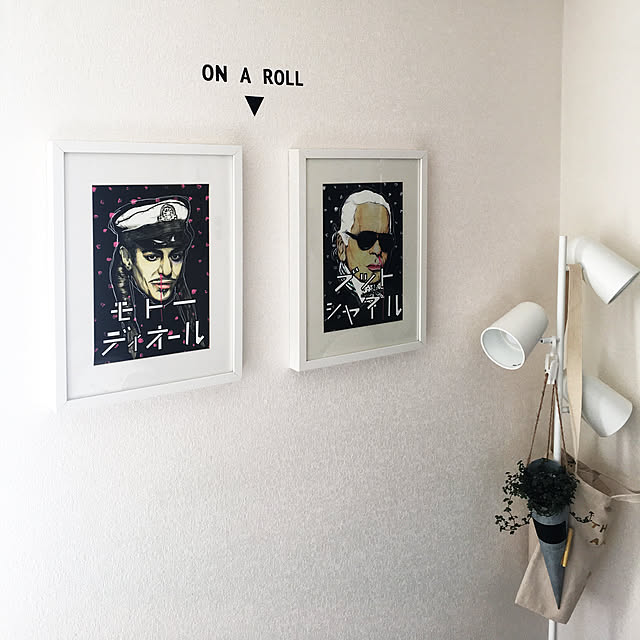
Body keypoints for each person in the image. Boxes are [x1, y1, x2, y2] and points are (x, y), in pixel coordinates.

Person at [100, 196, 205, 361]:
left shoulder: (197, 313)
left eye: (176, 256)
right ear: (126, 257)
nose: (167, 270)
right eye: (152, 257)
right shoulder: (106, 322)